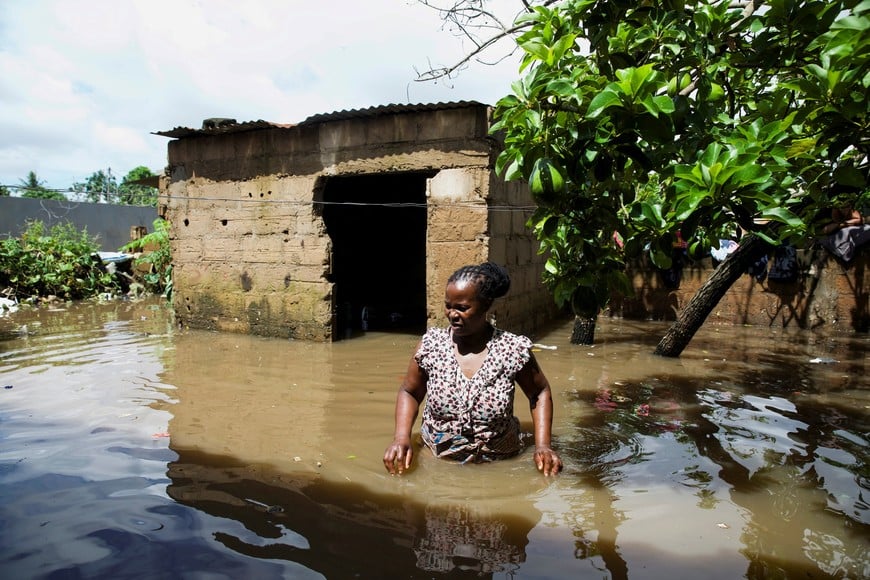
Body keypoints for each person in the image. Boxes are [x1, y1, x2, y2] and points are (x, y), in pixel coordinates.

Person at [383, 262, 563, 476]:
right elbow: (410, 391)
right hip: (438, 462)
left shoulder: (511, 349)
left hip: (500, 465)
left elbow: (539, 392)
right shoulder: (431, 346)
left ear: (486, 305)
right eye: (448, 306)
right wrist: (401, 438)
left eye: (462, 308)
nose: (452, 314)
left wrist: (543, 445)